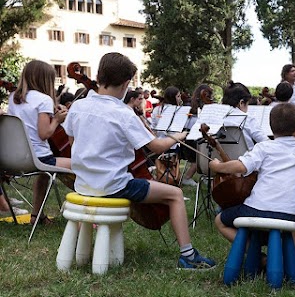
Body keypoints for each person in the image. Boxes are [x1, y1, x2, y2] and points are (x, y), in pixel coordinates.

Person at [63, 52, 215, 270]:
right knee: (176, 195)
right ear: (126, 84)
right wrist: (180, 136)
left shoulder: (78, 106)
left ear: (99, 75)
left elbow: (72, 142)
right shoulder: (123, 114)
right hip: (113, 186)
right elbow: (155, 147)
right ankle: (188, 255)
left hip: (82, 184)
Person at [210, 103, 295, 245]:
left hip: (257, 209)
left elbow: (241, 167)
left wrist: (218, 166)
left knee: (220, 221)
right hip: (290, 214)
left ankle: (256, 257)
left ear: (271, 128)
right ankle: (290, 259)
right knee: (292, 229)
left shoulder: (263, 148)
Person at [7, 60, 71, 225]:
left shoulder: (14, 97)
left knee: (44, 175)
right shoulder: (44, 100)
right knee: (82, 163)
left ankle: (37, 216)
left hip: (14, 158)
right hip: (39, 158)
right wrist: (56, 120)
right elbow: (44, 134)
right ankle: (81, 209)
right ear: (45, 79)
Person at [222, 81, 269, 151]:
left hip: (217, 160)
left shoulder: (216, 117)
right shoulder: (247, 119)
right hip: (244, 160)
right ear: (241, 103)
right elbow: (265, 143)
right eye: (247, 104)